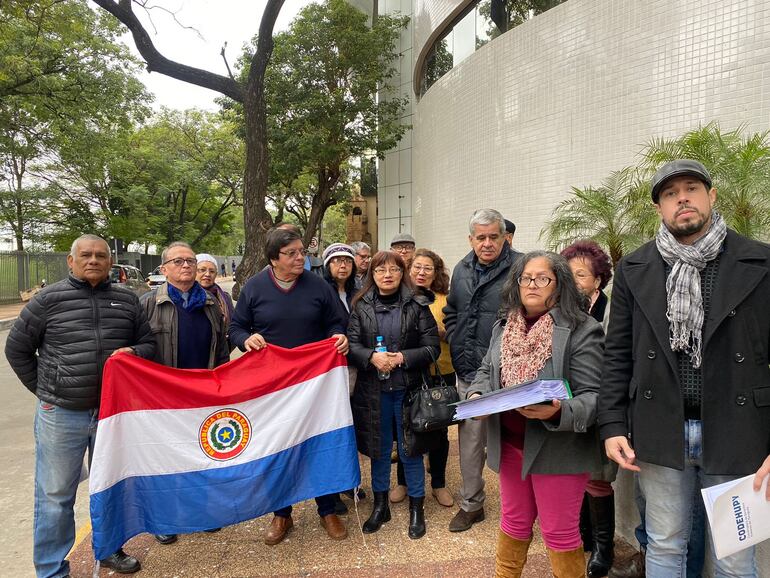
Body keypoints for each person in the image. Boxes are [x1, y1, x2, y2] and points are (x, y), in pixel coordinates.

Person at [599, 159, 770, 577]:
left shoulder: (760, 262)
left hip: (740, 431)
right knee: (664, 546)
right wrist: (612, 426)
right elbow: (618, 353)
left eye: (691, 189)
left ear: (711, 196)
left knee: (733, 557)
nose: (682, 200)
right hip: (660, 429)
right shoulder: (635, 269)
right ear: (660, 208)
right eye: (671, 194)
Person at [5, 234, 155, 578]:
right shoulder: (47, 300)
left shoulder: (126, 300)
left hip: (112, 415)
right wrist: (48, 392)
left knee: (111, 486)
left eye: (100, 255)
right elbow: (17, 350)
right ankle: (51, 569)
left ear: (110, 261)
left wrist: (136, 352)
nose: (93, 260)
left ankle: (110, 549)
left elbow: (148, 344)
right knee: (55, 496)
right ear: (71, 261)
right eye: (85, 255)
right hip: (62, 415)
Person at [467, 250, 604, 577]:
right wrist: (477, 394)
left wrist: (556, 412)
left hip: (557, 449)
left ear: (559, 285)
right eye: (525, 278)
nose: (532, 285)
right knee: (513, 523)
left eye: (542, 278)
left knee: (559, 531)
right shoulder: (504, 325)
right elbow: (487, 370)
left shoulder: (582, 329)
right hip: (512, 445)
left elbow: (595, 397)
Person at [229, 227, 350, 545]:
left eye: (302, 251)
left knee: (318, 442)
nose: (301, 258)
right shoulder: (254, 287)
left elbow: (336, 321)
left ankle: (327, 509)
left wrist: (338, 335)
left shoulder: (318, 285)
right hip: (274, 387)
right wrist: (246, 339)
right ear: (273, 259)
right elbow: (236, 327)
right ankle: (281, 514)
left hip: (314, 384)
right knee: (277, 445)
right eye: (292, 253)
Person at [141, 242, 231, 545]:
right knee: (164, 460)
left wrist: (221, 386)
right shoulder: (148, 304)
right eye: (178, 261)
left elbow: (221, 351)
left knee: (202, 455)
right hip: (162, 399)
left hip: (202, 395)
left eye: (191, 261)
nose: (187, 266)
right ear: (164, 269)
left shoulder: (209, 304)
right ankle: (165, 518)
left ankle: (204, 512)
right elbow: (137, 353)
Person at [347, 251, 440, 539]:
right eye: (380, 270)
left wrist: (401, 357)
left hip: (408, 390)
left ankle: (416, 508)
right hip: (373, 392)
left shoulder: (417, 305)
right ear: (371, 275)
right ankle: (380, 505)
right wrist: (371, 357)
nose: (387, 275)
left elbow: (431, 347)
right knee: (379, 449)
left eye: (394, 270)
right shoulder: (361, 305)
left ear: (403, 273)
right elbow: (351, 344)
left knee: (411, 450)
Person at [443, 208, 520, 532]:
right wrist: (455, 333)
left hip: (511, 372)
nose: (487, 243)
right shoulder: (461, 269)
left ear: (505, 237)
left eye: (493, 237)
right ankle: (471, 504)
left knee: (518, 442)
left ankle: (524, 506)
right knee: (471, 442)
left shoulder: (522, 266)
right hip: (470, 370)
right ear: (471, 239)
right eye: (481, 237)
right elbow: (451, 310)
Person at [561, 240, 615, 577]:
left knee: (598, 476)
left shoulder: (610, 311)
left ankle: (603, 547)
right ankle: (581, 534)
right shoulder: (562, 310)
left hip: (603, 402)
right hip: (569, 402)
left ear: (598, 280)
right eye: (568, 274)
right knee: (575, 471)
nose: (574, 280)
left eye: (581, 274)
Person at [390, 248, 455, 508]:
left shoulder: (445, 300)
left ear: (436, 272)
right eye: (417, 266)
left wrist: (439, 332)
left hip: (441, 372)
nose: (421, 272)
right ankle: (403, 482)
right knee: (406, 429)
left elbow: (455, 334)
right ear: (408, 269)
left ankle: (438, 482)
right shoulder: (399, 298)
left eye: (428, 268)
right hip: (409, 374)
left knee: (439, 430)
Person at [196, 253, 236, 333]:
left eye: (212, 271)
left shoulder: (225, 297)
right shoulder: (186, 297)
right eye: (202, 270)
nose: (207, 274)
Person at [322, 243, 358, 315]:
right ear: (328, 266)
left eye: (348, 261)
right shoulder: (321, 293)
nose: (343, 266)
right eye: (337, 260)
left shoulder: (357, 294)